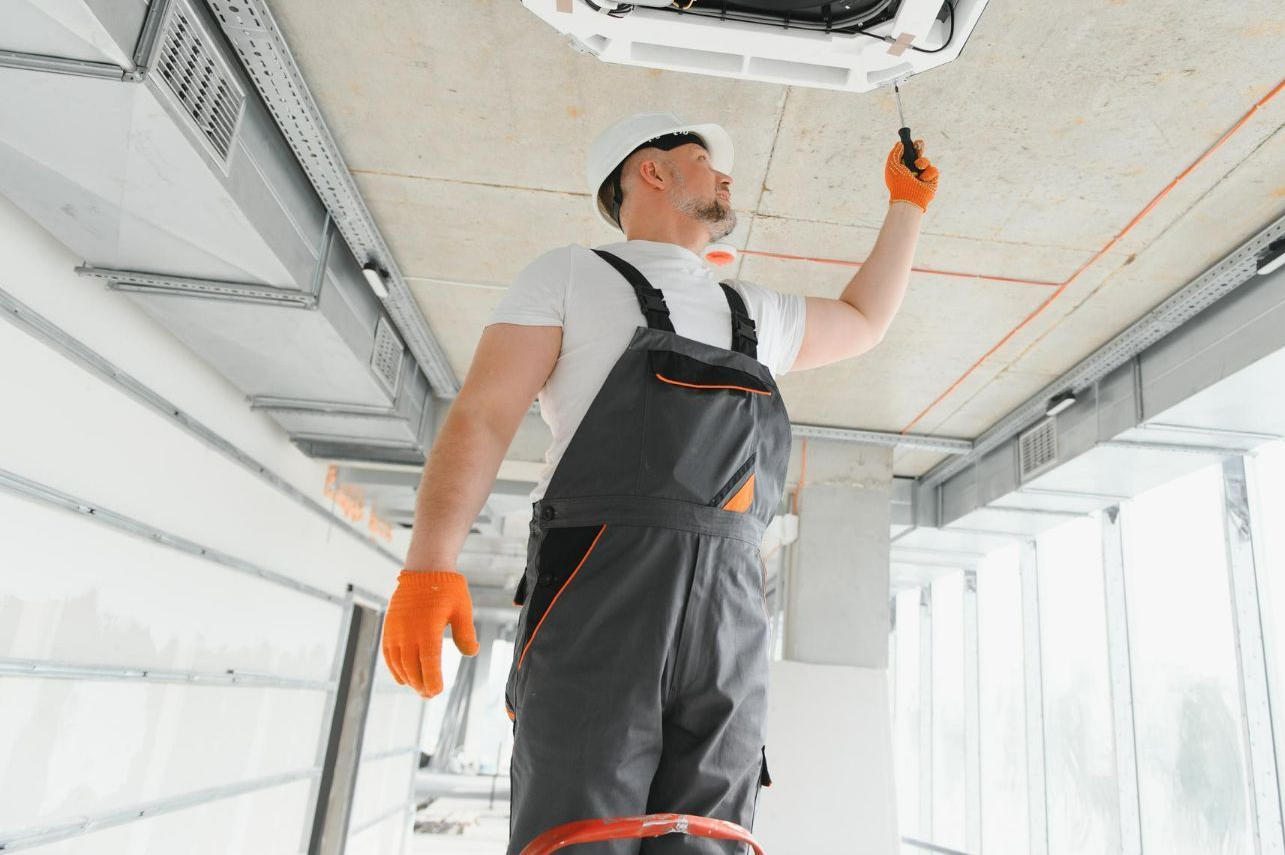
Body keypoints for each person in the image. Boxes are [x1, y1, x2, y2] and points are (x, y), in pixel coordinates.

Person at [380, 111, 940, 852]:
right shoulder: (571, 274)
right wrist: (428, 562)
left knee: (712, 835)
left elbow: (863, 319)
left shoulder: (752, 311)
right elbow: (484, 414)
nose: (726, 175)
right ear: (652, 169)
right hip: (600, 583)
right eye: (705, 159)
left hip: (730, 604)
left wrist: (906, 207)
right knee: (579, 832)